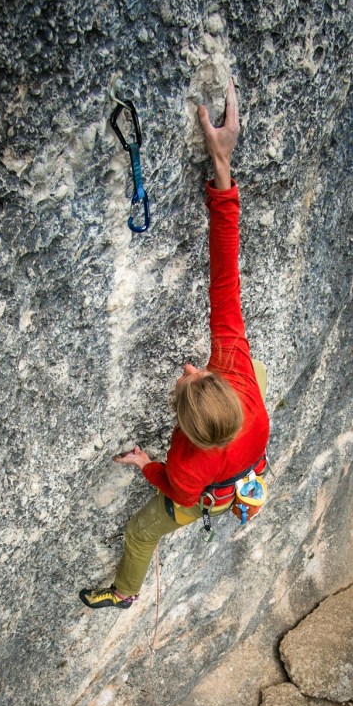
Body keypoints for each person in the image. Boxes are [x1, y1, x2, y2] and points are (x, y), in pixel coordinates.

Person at [80, 82, 270, 610]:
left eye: (186, 379)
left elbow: (179, 490)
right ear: (224, 388)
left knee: (141, 533)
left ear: (185, 429)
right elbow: (225, 278)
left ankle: (123, 593)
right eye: (199, 375)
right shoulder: (240, 377)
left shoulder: (186, 461)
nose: (189, 365)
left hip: (209, 491)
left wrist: (146, 463)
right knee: (252, 364)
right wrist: (221, 164)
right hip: (245, 462)